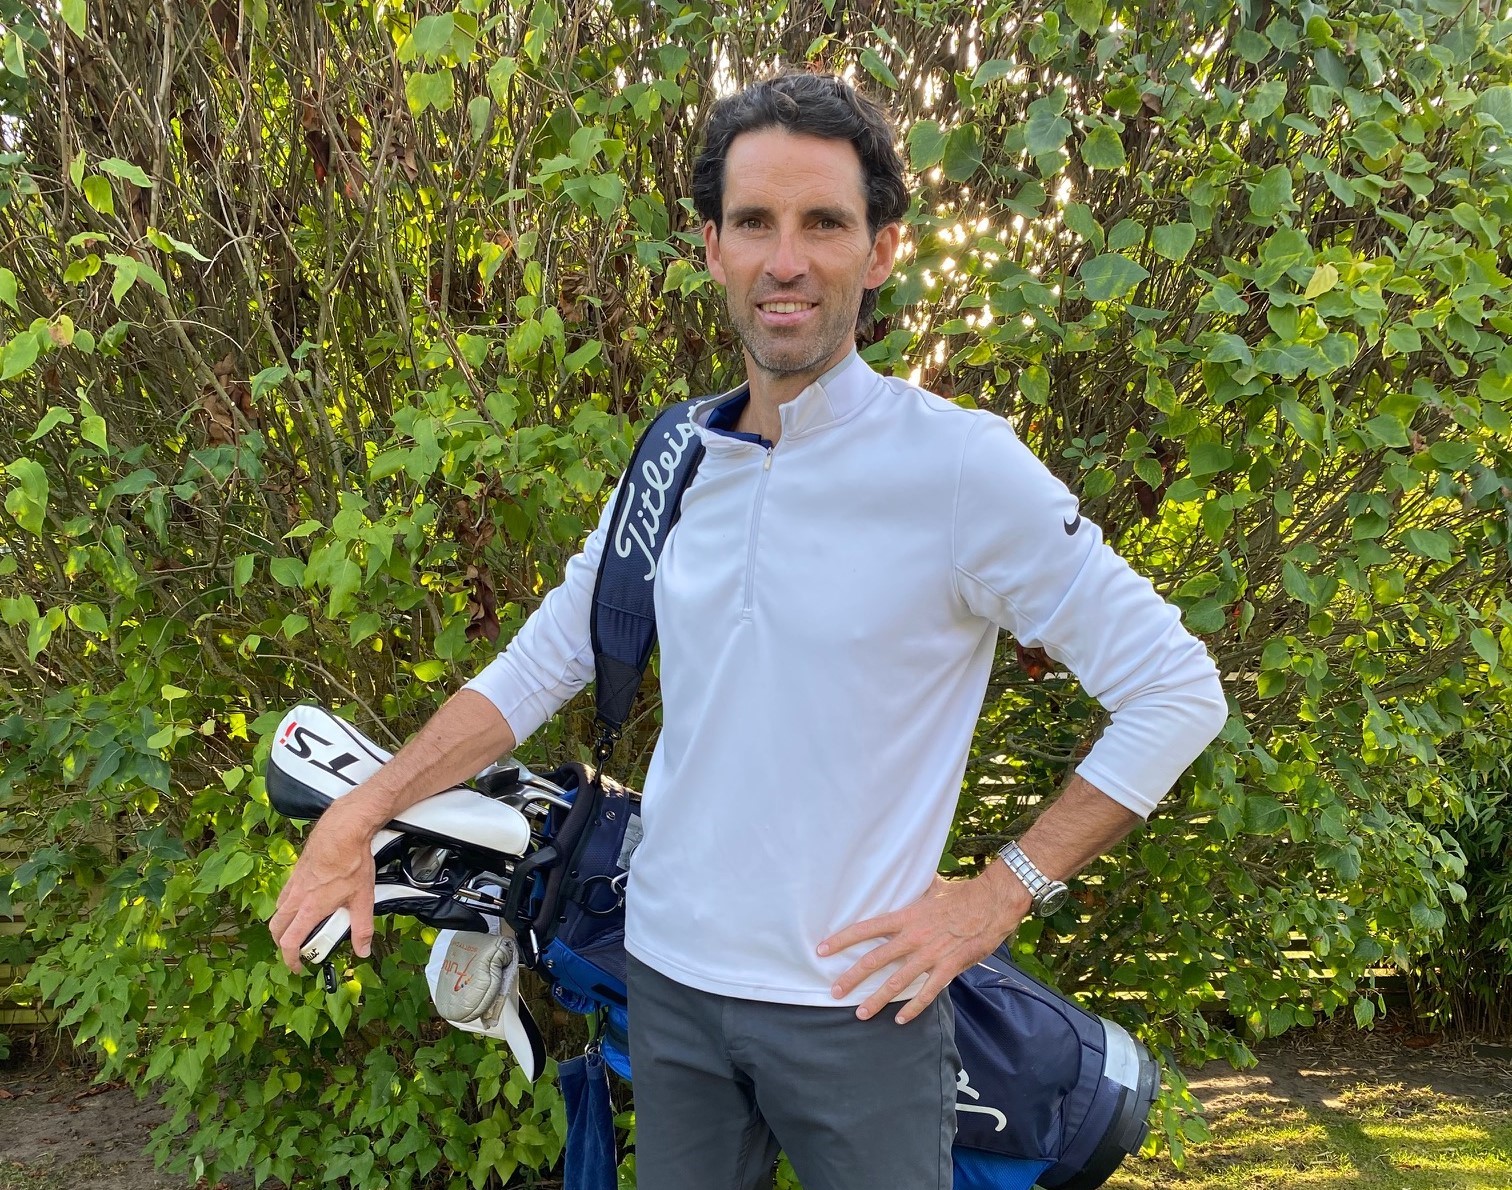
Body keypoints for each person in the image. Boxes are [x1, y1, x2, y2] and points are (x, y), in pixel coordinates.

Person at [271, 71, 1228, 1190]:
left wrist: (999, 892)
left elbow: (1177, 689)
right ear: (713, 248)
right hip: (669, 991)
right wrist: (360, 811)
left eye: (824, 223)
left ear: (880, 250)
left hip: (860, 1012)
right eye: (755, 223)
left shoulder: (961, 468)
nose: (787, 260)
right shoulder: (672, 459)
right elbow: (539, 663)